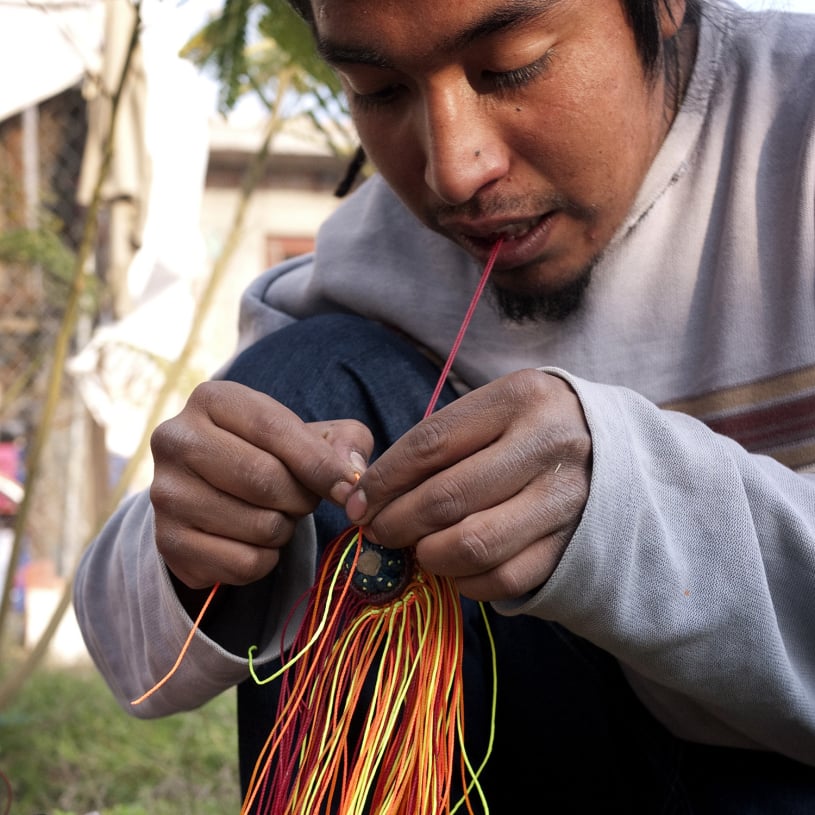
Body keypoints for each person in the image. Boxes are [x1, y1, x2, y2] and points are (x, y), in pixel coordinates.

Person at [75, 0, 815, 811]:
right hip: (543, 756)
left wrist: (629, 502)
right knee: (307, 375)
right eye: (380, 89)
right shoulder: (373, 266)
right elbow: (132, 653)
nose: (454, 172)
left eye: (510, 67)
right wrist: (193, 543)